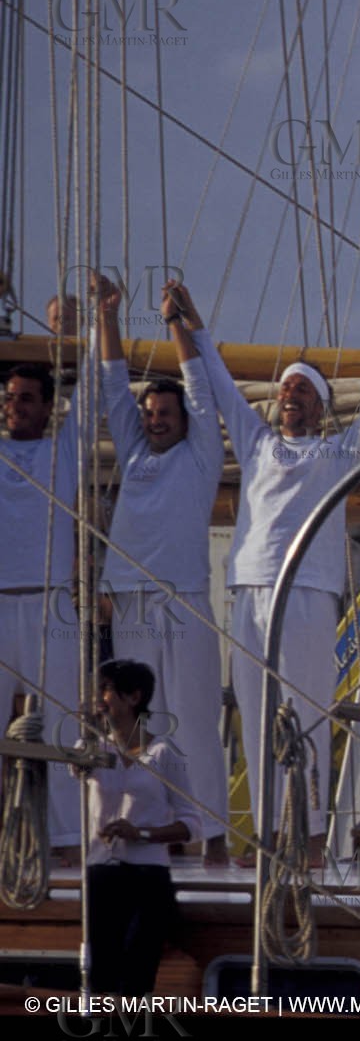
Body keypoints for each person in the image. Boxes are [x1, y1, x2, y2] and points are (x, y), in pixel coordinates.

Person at [190, 285, 360, 864]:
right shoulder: (256, 443)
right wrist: (192, 325)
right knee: (254, 717)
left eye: (302, 388)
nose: (289, 394)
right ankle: (269, 837)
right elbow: (220, 386)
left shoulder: (339, 452)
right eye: (285, 388)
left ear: (321, 406)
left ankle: (314, 836)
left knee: (305, 713)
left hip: (307, 591)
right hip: (250, 591)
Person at [96, 279, 229, 865]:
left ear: (183, 420)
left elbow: (200, 388)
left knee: (195, 720)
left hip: (184, 598)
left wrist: (176, 322)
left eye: (164, 414)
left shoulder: (200, 456)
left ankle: (214, 837)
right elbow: (112, 386)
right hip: (129, 600)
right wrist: (108, 315)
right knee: (138, 726)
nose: (154, 421)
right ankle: (150, 829)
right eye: (149, 413)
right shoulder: (134, 453)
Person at [2, 293, 89, 859]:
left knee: (60, 725)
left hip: (49, 604)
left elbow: (92, 392)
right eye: (9, 398)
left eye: (27, 399)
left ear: (48, 406)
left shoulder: (65, 453)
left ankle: (64, 840)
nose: (15, 407)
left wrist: (72, 333)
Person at [83, 658, 203, 995]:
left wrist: (142, 834)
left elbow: (192, 824)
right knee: (100, 975)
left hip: (147, 877)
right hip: (101, 873)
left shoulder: (164, 753)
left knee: (137, 974)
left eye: (105, 690)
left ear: (134, 697)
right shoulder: (91, 750)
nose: (98, 698)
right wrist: (87, 736)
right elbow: (77, 769)